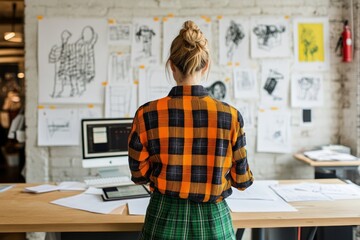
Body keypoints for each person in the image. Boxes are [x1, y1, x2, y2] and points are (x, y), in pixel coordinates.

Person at [128, 20, 254, 240]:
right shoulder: (230, 116)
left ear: (171, 66)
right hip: (213, 221)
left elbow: (138, 174)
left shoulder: (146, 114)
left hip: (163, 218)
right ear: (206, 66)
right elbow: (241, 180)